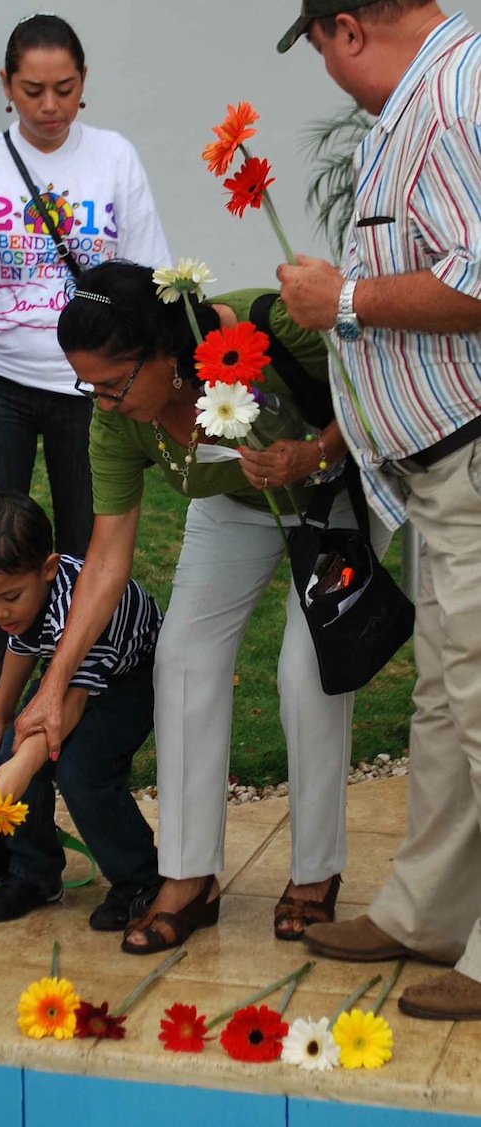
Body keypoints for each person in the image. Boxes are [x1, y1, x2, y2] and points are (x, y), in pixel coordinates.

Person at [11, 259, 391, 953]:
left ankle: (315, 873)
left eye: (112, 381)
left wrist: (316, 450)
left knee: (307, 674)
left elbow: (372, 390)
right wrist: (56, 678)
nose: (100, 400)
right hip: (234, 506)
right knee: (183, 658)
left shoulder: (264, 329)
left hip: (336, 493)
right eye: (85, 384)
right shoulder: (118, 420)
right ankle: (188, 876)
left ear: (164, 350)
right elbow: (106, 556)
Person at [276, 0, 481, 1020]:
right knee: (446, 701)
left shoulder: (450, 98)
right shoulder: (435, 92)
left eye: (317, 49)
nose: (326, 70)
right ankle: (427, 911)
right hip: (446, 471)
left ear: (347, 29)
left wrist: (346, 298)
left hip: (477, 455)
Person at [0, 13, 170, 745]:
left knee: (88, 558)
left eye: (65, 89)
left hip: (92, 395)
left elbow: (147, 282)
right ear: (6, 86)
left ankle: (76, 721)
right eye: (33, 90)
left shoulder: (116, 159)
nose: (50, 106)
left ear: (84, 83)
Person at [0, 492, 163, 928]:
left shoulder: (79, 607)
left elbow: (72, 702)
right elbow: (21, 648)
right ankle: (34, 873)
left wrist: (20, 769)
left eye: (8, 597)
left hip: (131, 679)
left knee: (82, 769)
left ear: (48, 568)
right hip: (66, 679)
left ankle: (140, 879)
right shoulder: (27, 600)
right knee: (13, 748)